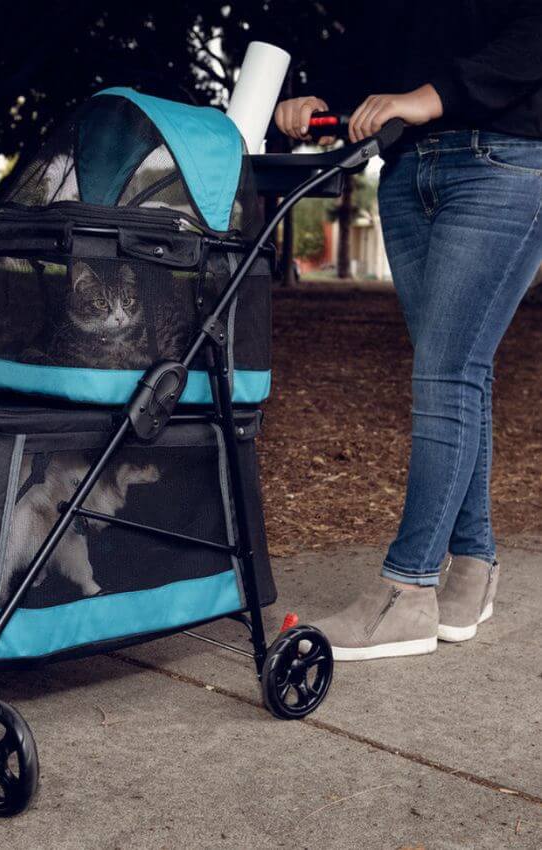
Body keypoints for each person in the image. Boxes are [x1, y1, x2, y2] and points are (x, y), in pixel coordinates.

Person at [274, 0, 542, 661]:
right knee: (458, 371)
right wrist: (318, 98)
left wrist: (436, 95)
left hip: (502, 161)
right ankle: (473, 566)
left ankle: (409, 591)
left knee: (447, 373)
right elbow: (380, 39)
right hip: (405, 172)